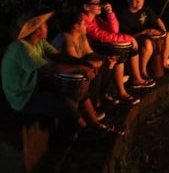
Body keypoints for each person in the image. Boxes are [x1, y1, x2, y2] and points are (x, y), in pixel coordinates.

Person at [1, 9, 110, 139]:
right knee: (66, 103)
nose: (47, 27)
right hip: (22, 97)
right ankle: (86, 131)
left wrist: (84, 63)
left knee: (75, 93)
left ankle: (95, 124)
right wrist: (79, 67)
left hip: (34, 86)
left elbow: (58, 56)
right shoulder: (21, 48)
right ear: (36, 30)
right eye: (44, 25)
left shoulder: (39, 42)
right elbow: (50, 68)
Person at [54, 11, 124, 135]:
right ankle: (88, 122)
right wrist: (98, 63)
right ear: (76, 26)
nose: (87, 25)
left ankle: (98, 106)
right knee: (91, 74)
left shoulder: (81, 36)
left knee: (105, 66)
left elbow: (89, 53)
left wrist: (105, 59)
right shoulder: (66, 38)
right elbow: (75, 62)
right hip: (62, 78)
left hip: (76, 73)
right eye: (83, 23)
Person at [81, 0, 153, 104]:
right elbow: (102, 36)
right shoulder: (83, 20)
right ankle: (121, 92)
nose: (100, 5)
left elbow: (114, 31)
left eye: (100, 2)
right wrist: (129, 38)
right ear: (86, 6)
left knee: (129, 48)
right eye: (96, 3)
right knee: (118, 53)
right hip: (88, 52)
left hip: (98, 47)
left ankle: (136, 79)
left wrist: (110, 13)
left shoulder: (96, 19)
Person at [118, 0, 169, 77]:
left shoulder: (146, 9)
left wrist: (163, 31)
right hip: (135, 39)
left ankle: (164, 63)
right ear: (129, 0)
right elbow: (127, 36)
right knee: (147, 43)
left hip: (147, 35)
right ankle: (143, 71)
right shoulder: (124, 15)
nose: (139, 2)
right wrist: (144, 32)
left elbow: (157, 19)